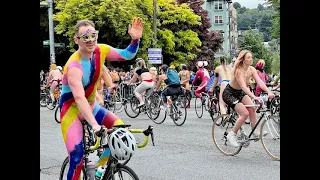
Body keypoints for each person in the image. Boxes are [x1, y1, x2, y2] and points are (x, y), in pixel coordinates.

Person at [59, 18, 143, 180]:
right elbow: (79, 98)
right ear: (76, 40)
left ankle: (98, 171)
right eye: (85, 37)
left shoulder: (101, 50)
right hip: (71, 111)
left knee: (121, 131)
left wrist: (135, 39)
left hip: (91, 106)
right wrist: (95, 125)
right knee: (77, 158)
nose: (90, 40)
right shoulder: (73, 66)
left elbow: (127, 54)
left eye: (93, 35)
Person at [223, 50, 275, 147]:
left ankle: (254, 131)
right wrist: (254, 97)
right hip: (229, 93)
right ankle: (231, 135)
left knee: (252, 108)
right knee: (245, 113)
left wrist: (269, 92)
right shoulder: (239, 70)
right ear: (243, 59)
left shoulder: (251, 69)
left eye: (251, 57)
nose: (251, 59)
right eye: (248, 58)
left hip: (240, 93)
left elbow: (259, 82)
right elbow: (243, 86)